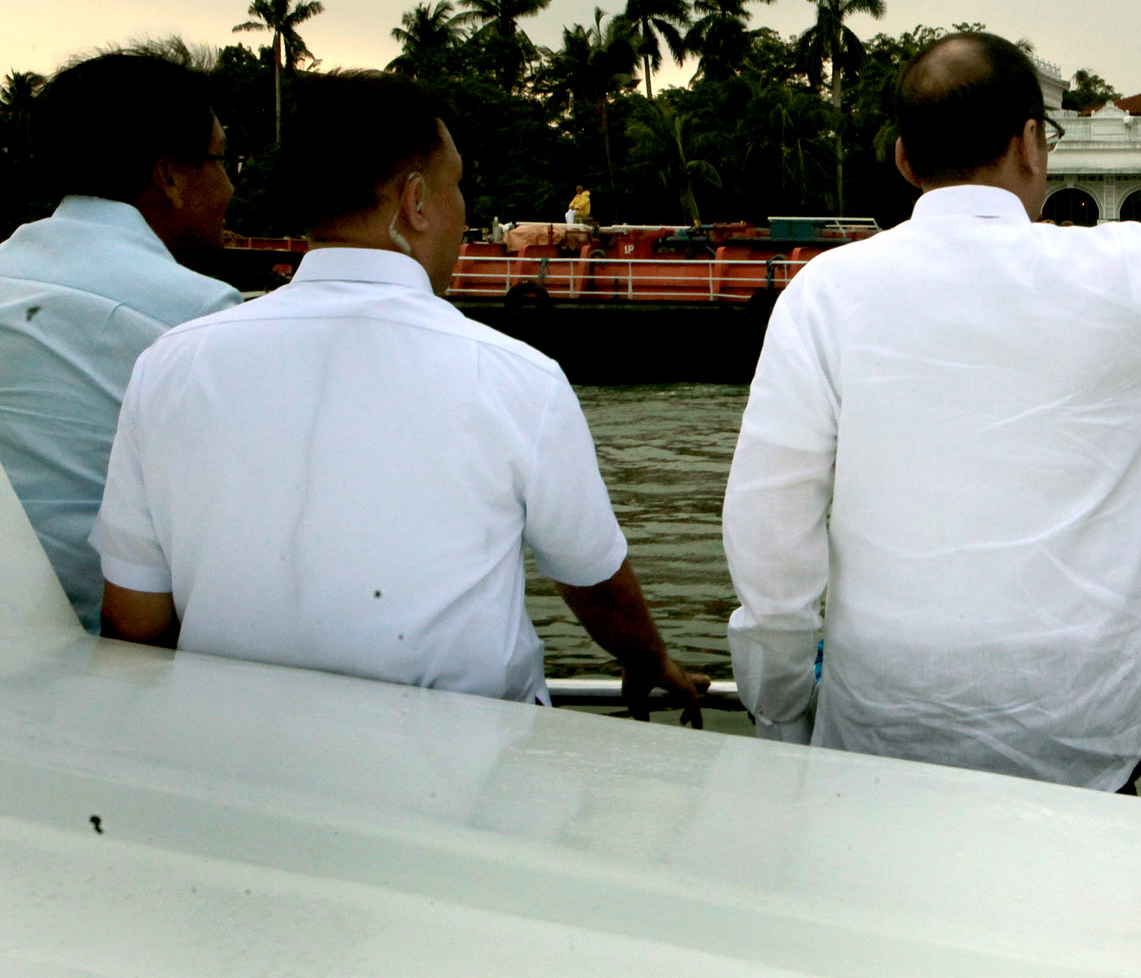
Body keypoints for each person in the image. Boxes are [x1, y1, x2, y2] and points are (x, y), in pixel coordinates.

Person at [723, 2, 1141, 791]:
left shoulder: (827, 292)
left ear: (905, 161)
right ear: (1033, 143)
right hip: (1085, 717)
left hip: (886, 714)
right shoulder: (1131, 273)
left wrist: (781, 709)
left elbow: (771, 526)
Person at [92, 71, 706, 720]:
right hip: (466, 773)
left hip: (236, 770)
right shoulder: (515, 377)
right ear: (416, 203)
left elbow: (133, 619)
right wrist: (650, 661)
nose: (463, 212)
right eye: (457, 186)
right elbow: (597, 585)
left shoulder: (170, 366)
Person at [0, 52, 240, 632]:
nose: (230, 188)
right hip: (100, 641)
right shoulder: (199, 316)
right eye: (221, 160)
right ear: (169, 177)